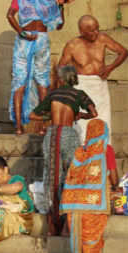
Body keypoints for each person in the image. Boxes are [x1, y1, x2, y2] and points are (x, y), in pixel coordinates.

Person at [30, 66, 97, 236]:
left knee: (51, 177)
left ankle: (52, 225)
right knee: (71, 176)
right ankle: (68, 223)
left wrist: (50, 117)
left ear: (60, 79)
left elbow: (32, 115)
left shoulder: (53, 94)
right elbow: (94, 112)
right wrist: (81, 115)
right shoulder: (79, 94)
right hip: (68, 134)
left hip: (52, 134)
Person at [61, 119, 117, 253]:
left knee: (83, 247)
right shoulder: (105, 151)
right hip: (94, 209)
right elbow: (114, 179)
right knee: (90, 250)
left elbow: (71, 177)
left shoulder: (80, 152)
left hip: (74, 208)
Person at [7, 0, 67, 134]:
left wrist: (20, 31)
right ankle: (42, 127)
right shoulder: (49, 0)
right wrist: (61, 5)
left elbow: (10, 15)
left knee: (20, 81)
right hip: (42, 40)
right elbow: (60, 25)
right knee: (42, 82)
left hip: (24, 39)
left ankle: (19, 127)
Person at [56, 14, 128, 144]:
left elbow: (123, 52)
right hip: (81, 86)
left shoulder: (103, 39)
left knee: (103, 121)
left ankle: (102, 156)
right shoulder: (72, 45)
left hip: (99, 85)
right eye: (91, 30)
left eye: (97, 29)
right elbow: (60, 68)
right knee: (82, 125)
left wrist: (109, 68)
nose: (96, 33)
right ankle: (82, 158)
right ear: (82, 31)